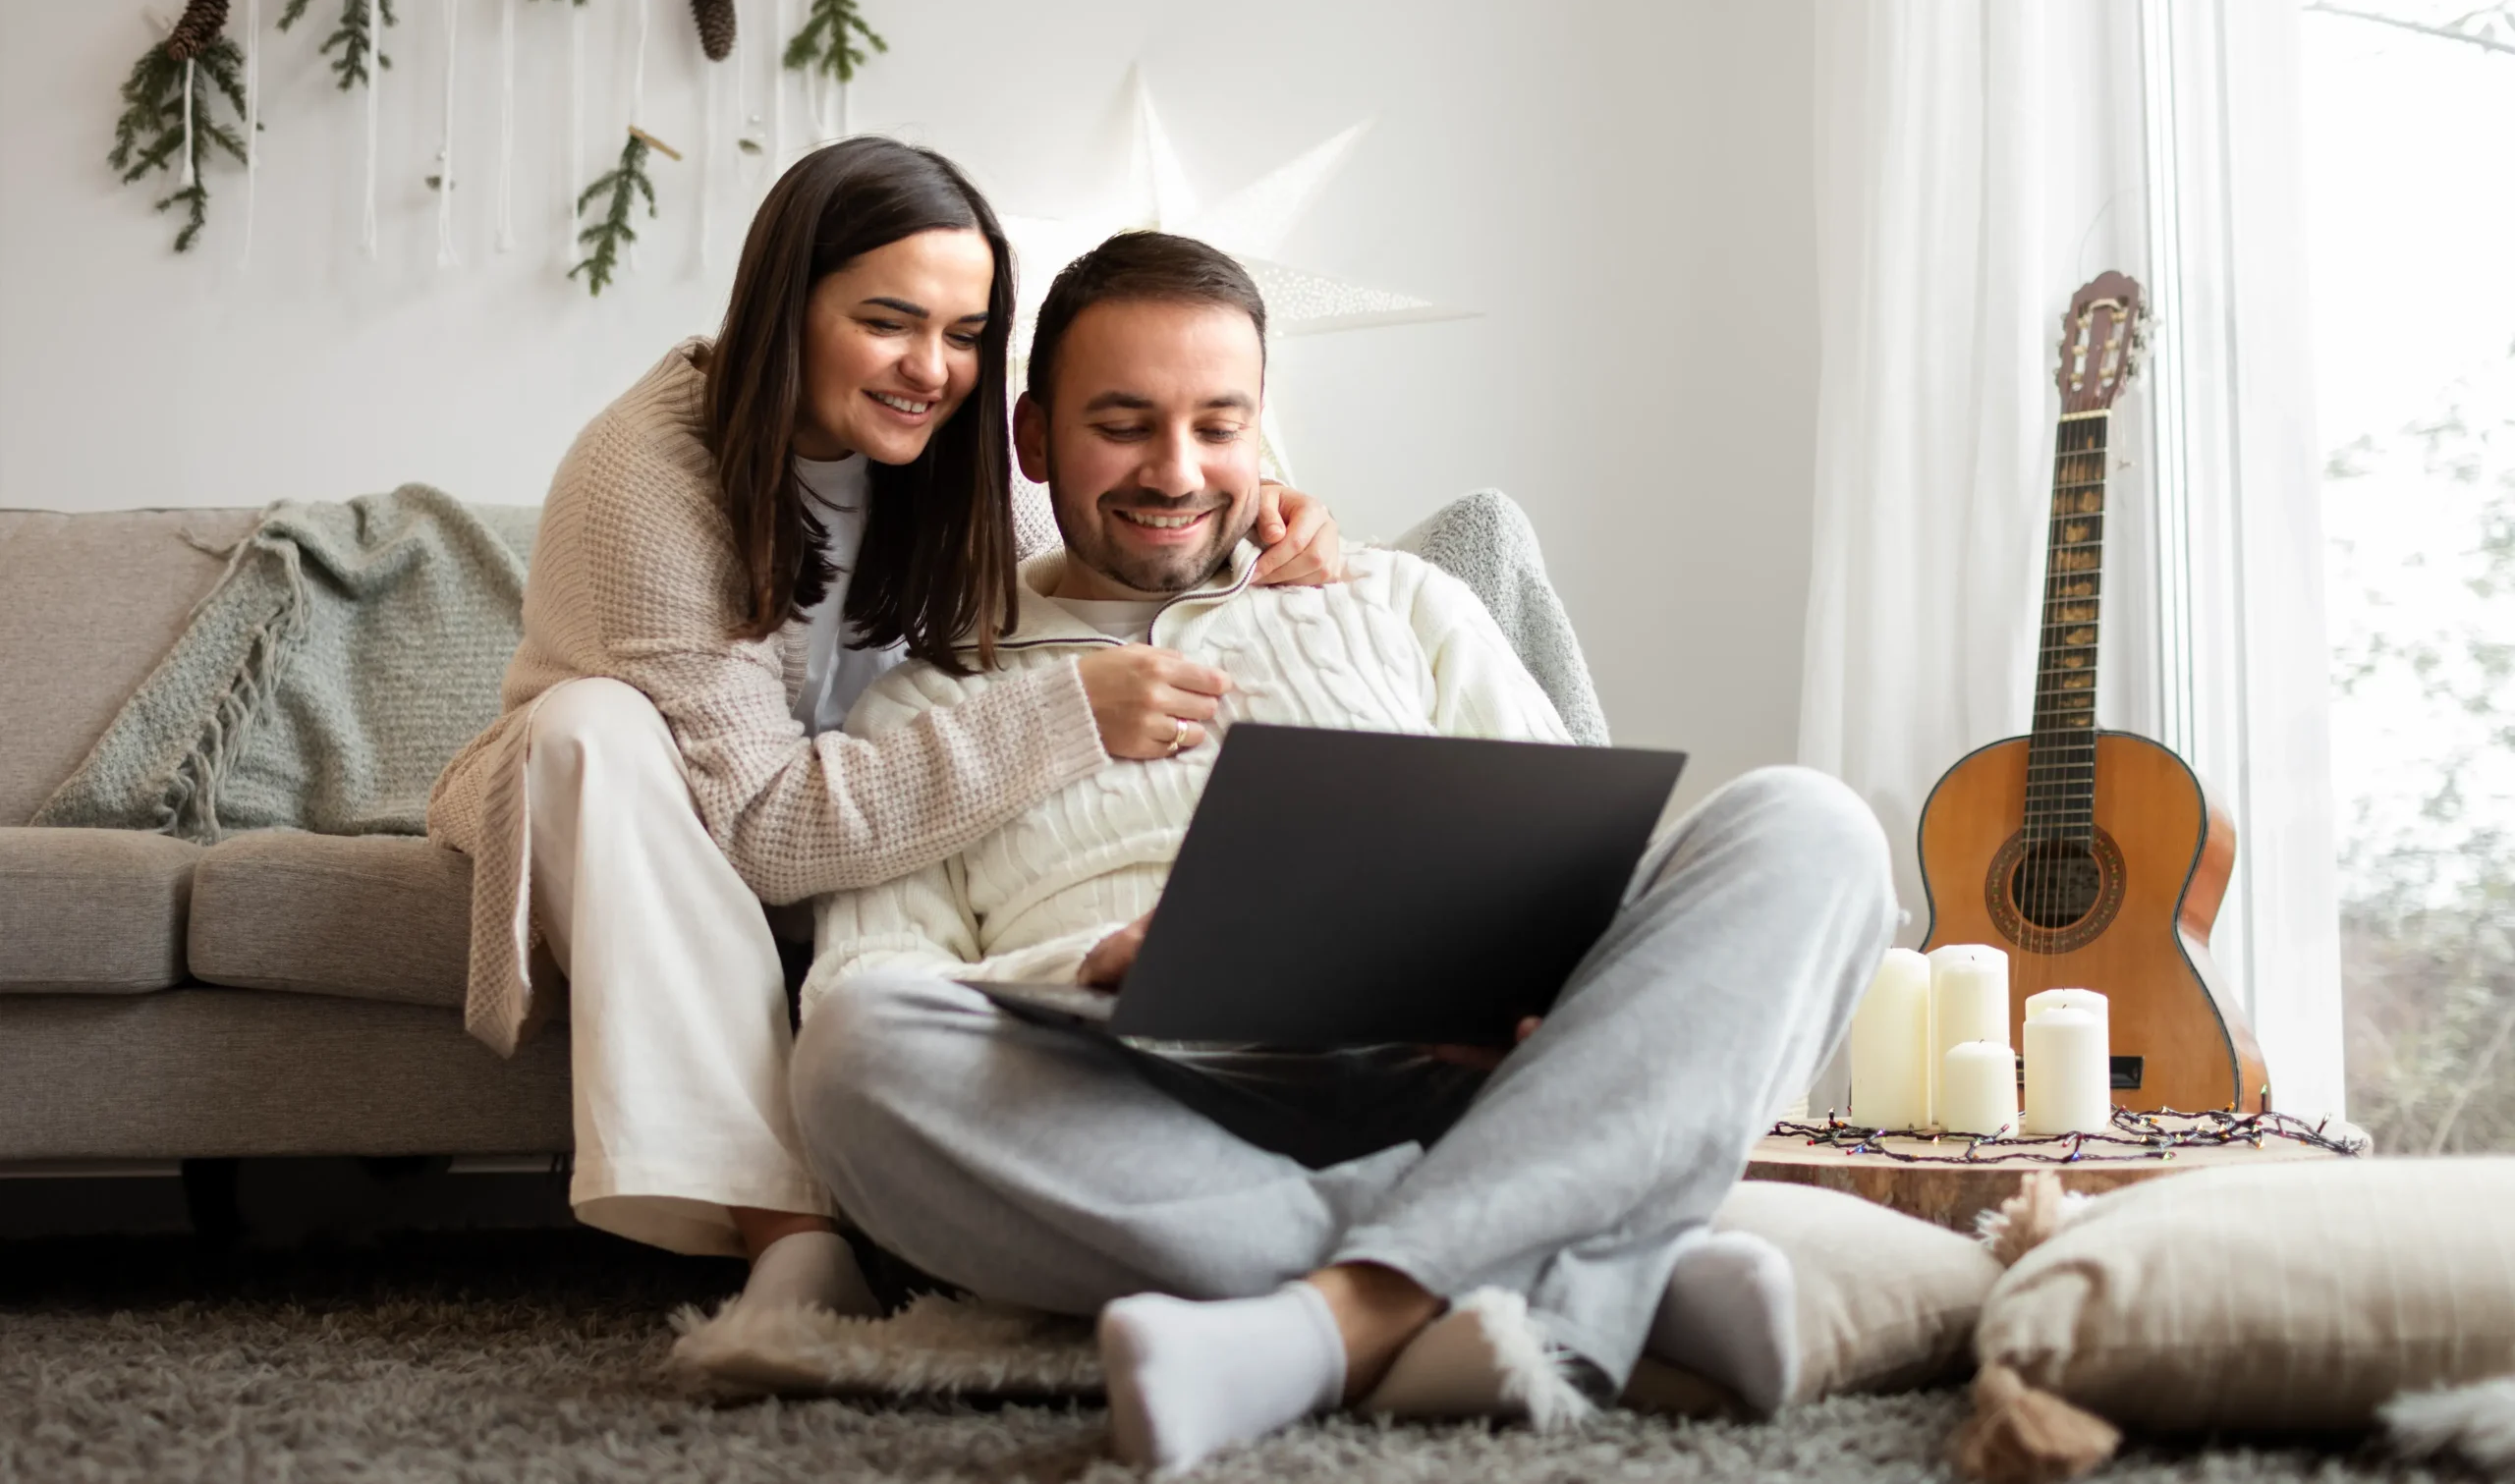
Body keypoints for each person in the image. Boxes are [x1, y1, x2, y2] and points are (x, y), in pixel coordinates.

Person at [785, 231, 1899, 1471]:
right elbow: (863, 987)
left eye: (1219, 425)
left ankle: (1334, 1321)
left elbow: (1574, 850)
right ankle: (1589, 1262)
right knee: (847, 1061)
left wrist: (1527, 974)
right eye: (1124, 424)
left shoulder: (1400, 599)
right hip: (1145, 1100)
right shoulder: (931, 699)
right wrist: (1084, 967)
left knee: (1815, 828)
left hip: (1455, 1068)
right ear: (1034, 439)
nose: (1175, 470)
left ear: (1265, 430)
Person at [425, 140, 1345, 1324]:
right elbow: (759, 828)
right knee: (588, 726)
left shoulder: (959, 450)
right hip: (676, 829)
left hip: (875, 830)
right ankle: (787, 1230)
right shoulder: (646, 474)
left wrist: (1267, 517)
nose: (932, 369)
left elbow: (1108, 548)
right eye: (888, 322)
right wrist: (1063, 716)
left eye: (965, 335)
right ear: (787, 308)